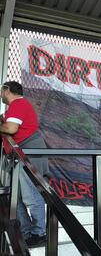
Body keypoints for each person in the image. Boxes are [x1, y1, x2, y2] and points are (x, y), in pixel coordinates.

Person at [0, 81, 48, 247]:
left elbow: (11, 128)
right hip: (19, 154)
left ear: (7, 90)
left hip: (28, 152)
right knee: (17, 198)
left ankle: (39, 233)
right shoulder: (15, 107)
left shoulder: (18, 103)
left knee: (29, 195)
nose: (0, 94)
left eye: (1, 90)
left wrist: (2, 124)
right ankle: (27, 233)